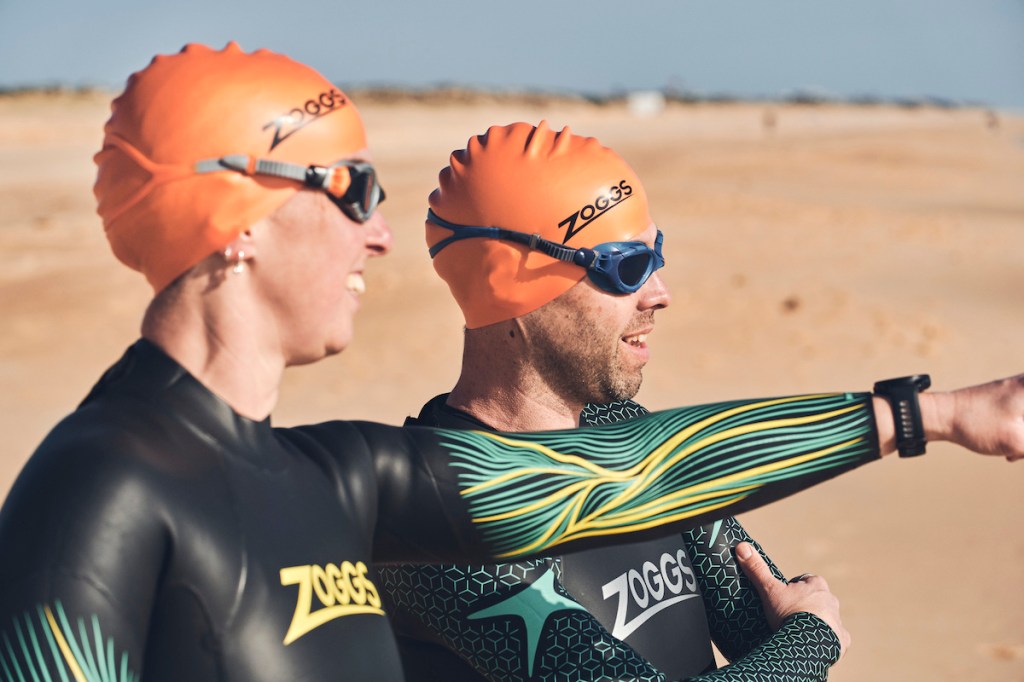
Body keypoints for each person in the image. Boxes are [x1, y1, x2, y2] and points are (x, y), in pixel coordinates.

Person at [0, 44, 1020, 682]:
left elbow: (642, 474)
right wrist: (813, 641)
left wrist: (928, 418)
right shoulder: (101, 488)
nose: (382, 236)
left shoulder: (338, 477)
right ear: (236, 219)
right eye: (353, 189)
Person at [377, 121, 1024, 681]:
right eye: (625, 267)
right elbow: (795, 643)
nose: (659, 292)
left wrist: (792, 646)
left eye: (656, 255)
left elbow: (761, 626)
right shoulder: (436, 525)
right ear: (510, 285)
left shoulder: (624, 435)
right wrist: (814, 636)